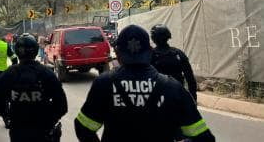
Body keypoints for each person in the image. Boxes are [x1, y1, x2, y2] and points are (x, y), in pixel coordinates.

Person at [74, 25, 215, 142]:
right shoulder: (172, 87)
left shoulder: (103, 84)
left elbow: (83, 127)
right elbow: (204, 137)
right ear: (149, 51)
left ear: (117, 53)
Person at [0, 33, 68, 142]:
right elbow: (62, 105)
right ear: (36, 50)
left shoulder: (9, 74)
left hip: (18, 130)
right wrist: (49, 120)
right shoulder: (46, 73)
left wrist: (8, 116)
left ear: (17, 51)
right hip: (42, 130)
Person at [151, 24, 198, 101]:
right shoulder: (178, 53)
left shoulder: (149, 55)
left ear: (153, 38)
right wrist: (193, 99)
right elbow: (190, 78)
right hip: (177, 95)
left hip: (158, 98)